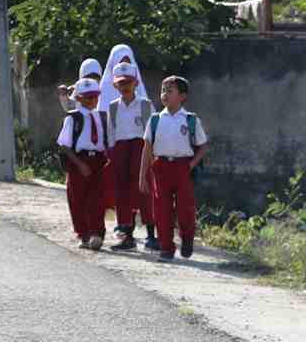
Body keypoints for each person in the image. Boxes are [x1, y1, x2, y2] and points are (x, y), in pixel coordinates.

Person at [139, 76, 208, 261]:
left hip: (182, 166)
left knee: (185, 208)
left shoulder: (190, 120)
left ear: (182, 96)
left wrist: (191, 164)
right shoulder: (155, 120)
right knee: (161, 210)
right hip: (160, 167)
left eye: (170, 91)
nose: (164, 94)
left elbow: (202, 146)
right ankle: (166, 248)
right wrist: (142, 176)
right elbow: (146, 148)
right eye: (163, 90)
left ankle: (187, 238)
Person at [105, 62, 156, 251]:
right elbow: (111, 133)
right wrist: (112, 153)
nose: (125, 86)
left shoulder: (145, 105)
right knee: (122, 192)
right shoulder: (113, 107)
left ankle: (151, 235)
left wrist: (152, 155)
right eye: (121, 83)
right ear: (115, 85)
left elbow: (152, 132)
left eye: (129, 82)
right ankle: (128, 236)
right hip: (120, 151)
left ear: (136, 83)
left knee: (144, 190)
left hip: (140, 150)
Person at [56, 78, 109, 250]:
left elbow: (105, 140)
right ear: (78, 98)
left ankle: (97, 233)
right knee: (77, 199)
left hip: (98, 161)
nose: (92, 100)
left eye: (95, 96)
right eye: (87, 97)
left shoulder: (100, 116)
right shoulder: (73, 119)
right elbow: (64, 144)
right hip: (79, 160)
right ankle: (83, 234)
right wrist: (79, 164)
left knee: (98, 199)